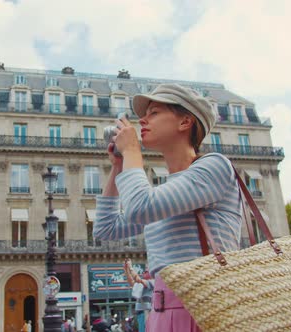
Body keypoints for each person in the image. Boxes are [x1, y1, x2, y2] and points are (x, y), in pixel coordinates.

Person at [94, 83, 242, 332]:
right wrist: (118, 166)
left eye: (154, 112)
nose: (142, 119)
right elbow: (105, 229)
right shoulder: (162, 196)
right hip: (161, 313)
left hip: (205, 310)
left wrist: (131, 150)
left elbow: (140, 208)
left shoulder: (215, 166)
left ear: (185, 122)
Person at [123, 258, 153, 332]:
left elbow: (137, 279)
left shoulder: (152, 282)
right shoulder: (143, 283)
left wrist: (130, 267)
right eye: (145, 270)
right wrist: (126, 270)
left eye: (147, 270)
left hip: (148, 312)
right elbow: (131, 282)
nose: (144, 272)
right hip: (141, 313)